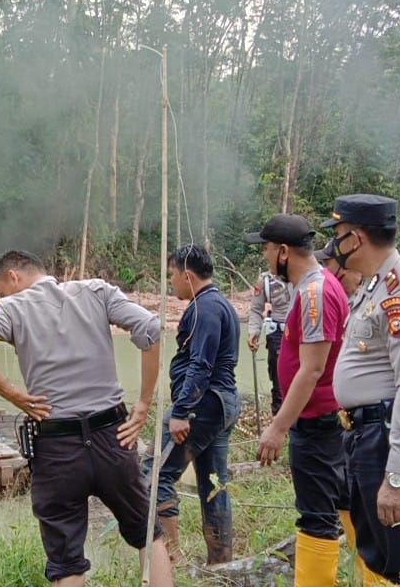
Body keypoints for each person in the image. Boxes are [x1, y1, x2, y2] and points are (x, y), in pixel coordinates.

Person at [0, 250, 175, 587]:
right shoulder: (97, 291)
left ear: (13, 277)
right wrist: (143, 402)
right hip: (114, 437)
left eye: (1, 289)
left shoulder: (6, 309)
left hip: (57, 449)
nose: (1, 296)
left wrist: (12, 394)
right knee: (147, 534)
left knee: (67, 563)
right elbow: (151, 327)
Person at [324, 194, 400, 586]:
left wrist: (397, 477)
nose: (335, 244)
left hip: (387, 436)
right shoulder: (376, 286)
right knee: (377, 552)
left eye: (339, 234)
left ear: (356, 238)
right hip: (368, 434)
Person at [247, 215, 349, 586]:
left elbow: (312, 369)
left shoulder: (314, 293)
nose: (265, 258)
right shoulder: (314, 287)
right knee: (344, 502)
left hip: (317, 422)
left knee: (316, 516)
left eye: (266, 250)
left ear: (284, 252)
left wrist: (278, 427)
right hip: (322, 418)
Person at [149, 244, 241, 565]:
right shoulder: (219, 304)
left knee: (155, 476)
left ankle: (170, 561)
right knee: (214, 484)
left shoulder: (206, 309)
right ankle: (221, 563)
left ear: (187, 275)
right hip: (222, 403)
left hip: (204, 405)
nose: (171, 282)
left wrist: (181, 411)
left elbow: (201, 364)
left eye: (172, 275)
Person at [248, 265, 293, 415]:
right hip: (277, 333)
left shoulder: (304, 273)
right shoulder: (265, 280)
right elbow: (256, 309)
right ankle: (280, 418)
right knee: (279, 381)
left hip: (302, 331)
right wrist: (254, 331)